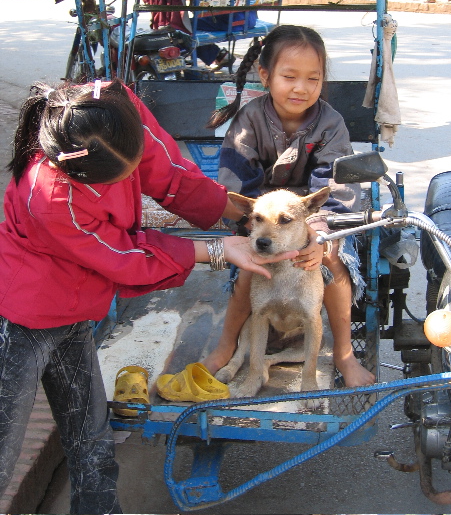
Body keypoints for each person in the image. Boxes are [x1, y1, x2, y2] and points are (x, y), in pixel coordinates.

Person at [0, 79, 300, 514]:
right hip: (26, 318)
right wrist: (215, 250)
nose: (135, 179)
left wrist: (248, 218)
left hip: (77, 309)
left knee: (93, 441)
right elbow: (125, 257)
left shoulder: (112, 108)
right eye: (121, 179)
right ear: (79, 175)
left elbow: (171, 172)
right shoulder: (52, 196)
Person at [202, 25, 376, 388]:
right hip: (263, 219)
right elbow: (238, 192)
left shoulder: (330, 124)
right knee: (251, 269)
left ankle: (343, 352)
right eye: (289, 76)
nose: (301, 87)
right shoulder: (248, 122)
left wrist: (318, 237)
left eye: (313, 78)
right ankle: (226, 344)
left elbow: (335, 191)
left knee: (331, 261)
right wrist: (260, 229)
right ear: (265, 75)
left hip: (316, 216)